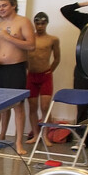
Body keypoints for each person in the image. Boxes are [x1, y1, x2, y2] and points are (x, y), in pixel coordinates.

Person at [0, 0, 36, 154]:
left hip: (15, 68)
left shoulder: (23, 22)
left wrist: (9, 37)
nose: (0, 9)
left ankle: (18, 143)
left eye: (4, 6)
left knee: (18, 106)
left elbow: (31, 45)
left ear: (13, 6)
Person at [26, 12, 61, 144]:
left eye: (43, 23)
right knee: (32, 107)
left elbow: (57, 58)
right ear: (34, 23)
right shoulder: (28, 39)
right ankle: (36, 135)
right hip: (31, 76)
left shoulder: (52, 39)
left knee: (45, 106)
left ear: (46, 24)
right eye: (37, 23)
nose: (40, 26)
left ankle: (45, 135)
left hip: (45, 75)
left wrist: (49, 71)